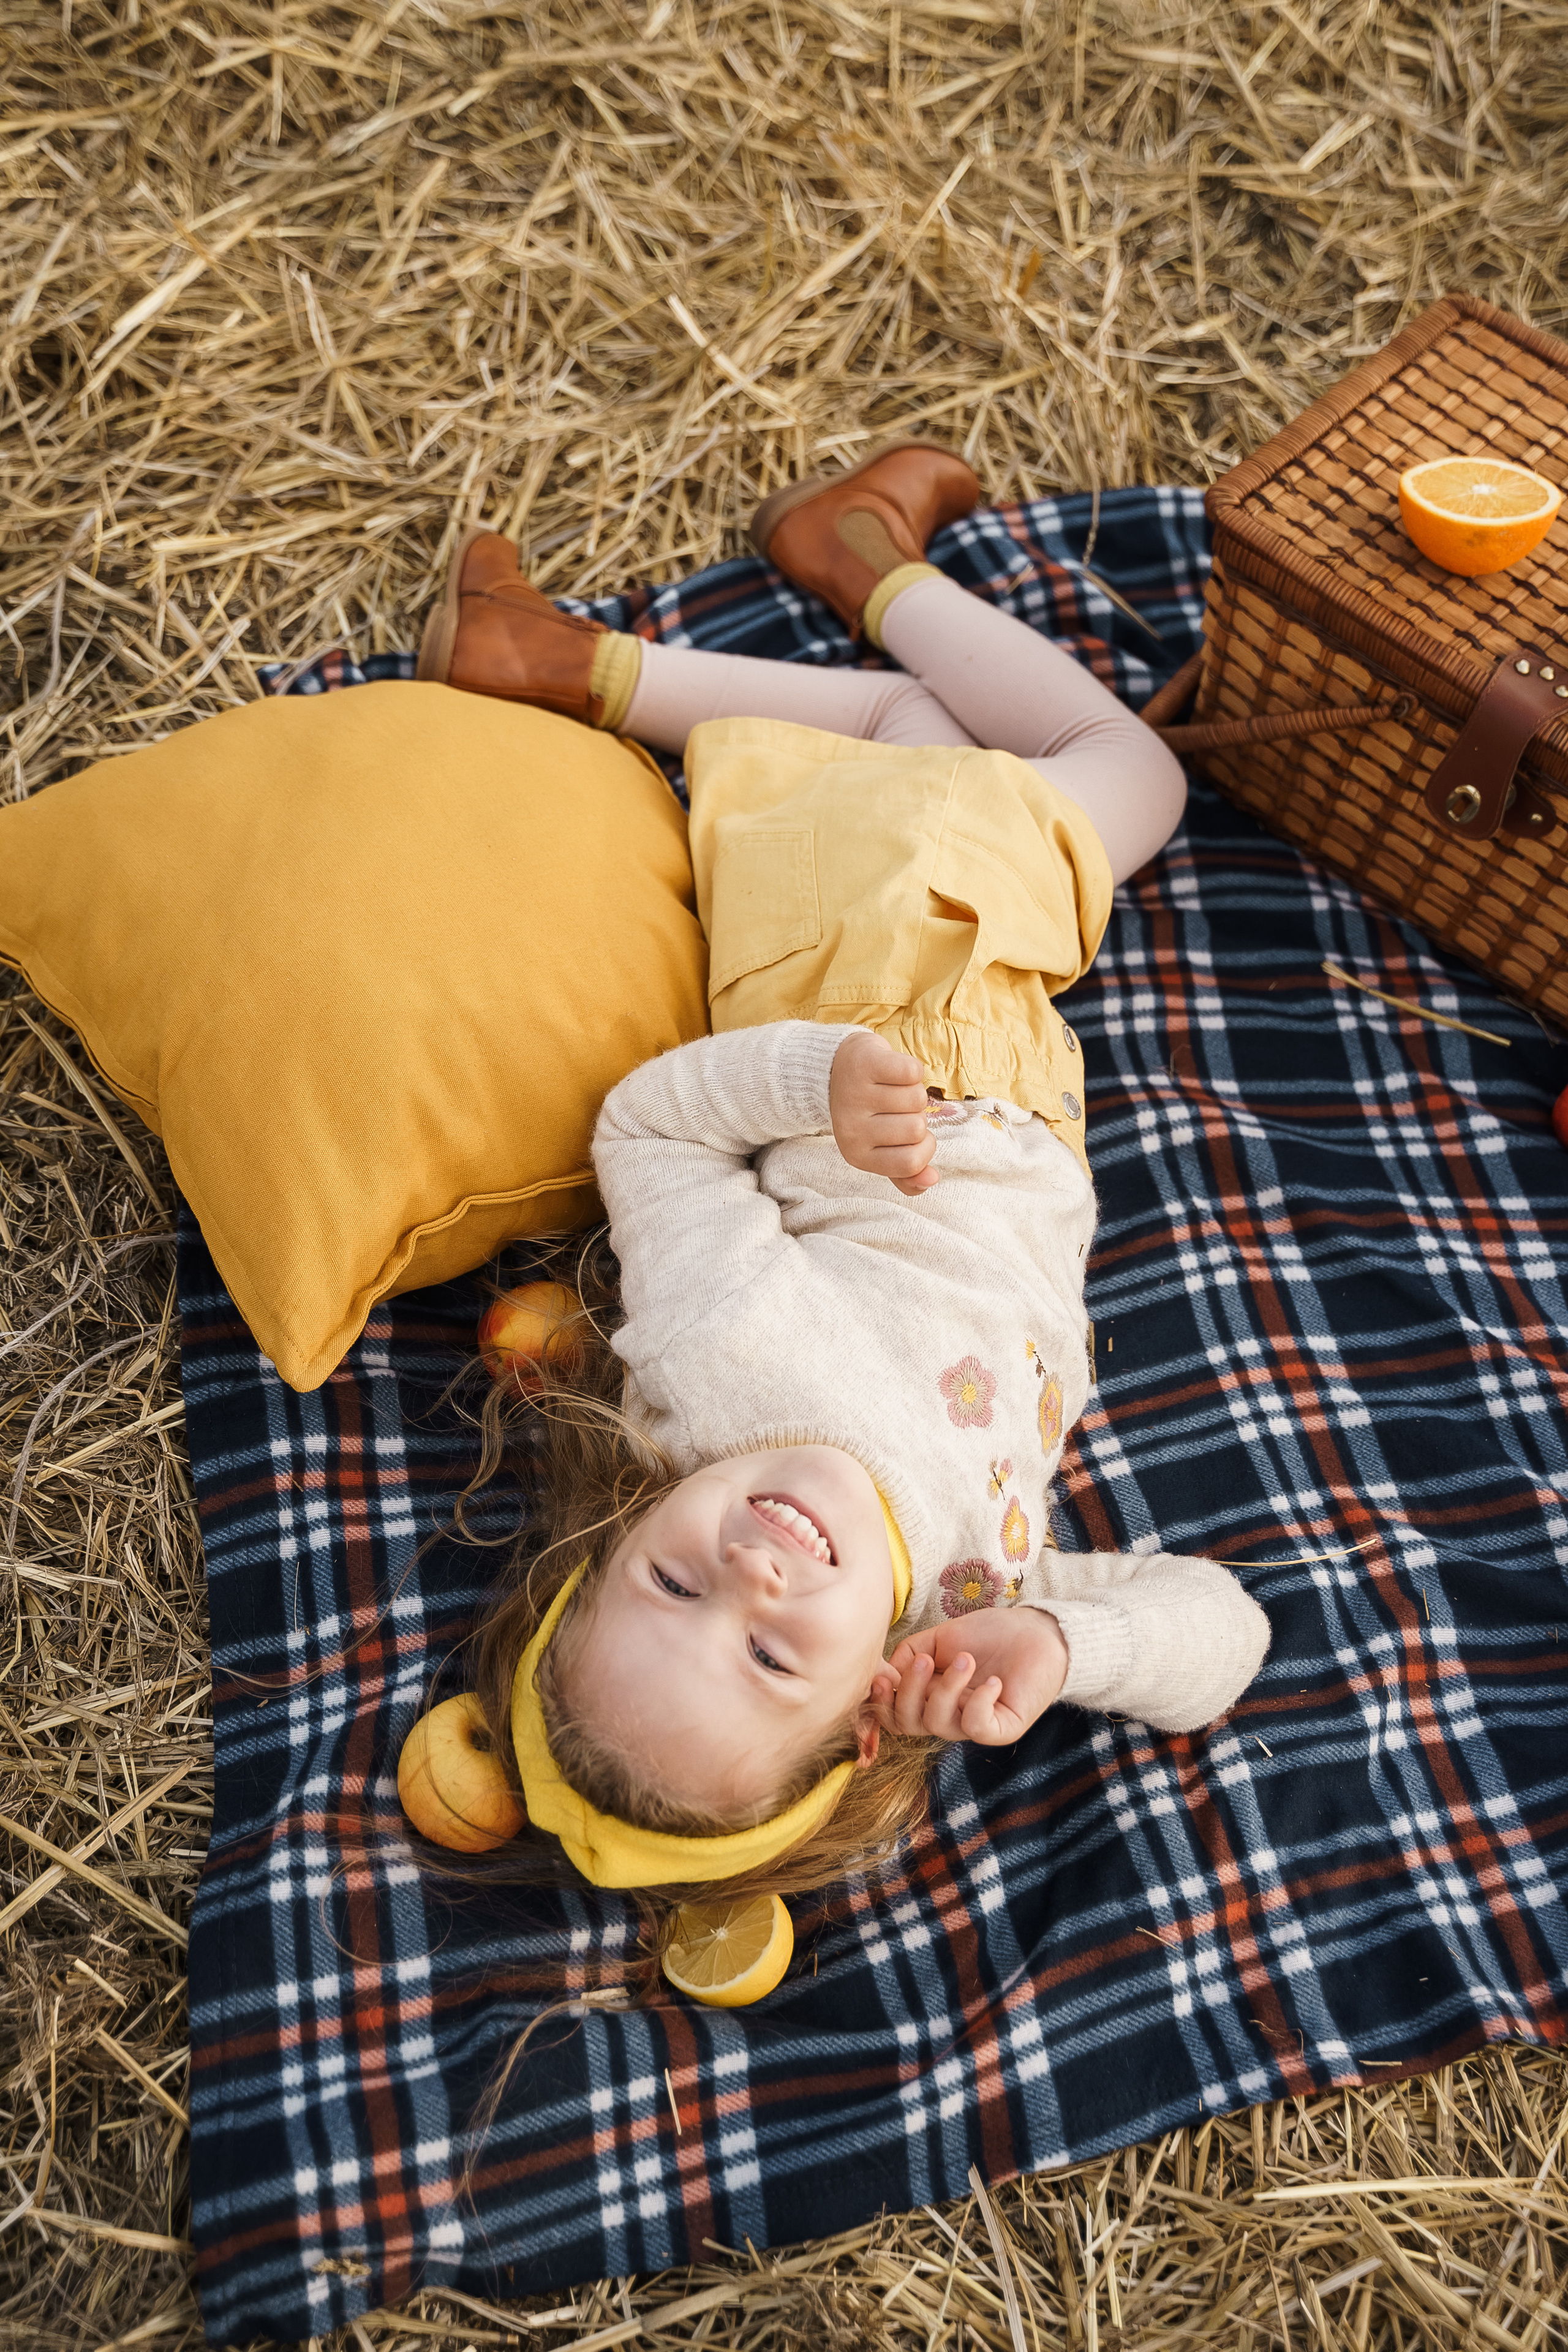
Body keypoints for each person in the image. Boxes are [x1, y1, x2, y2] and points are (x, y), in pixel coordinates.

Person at [413, 443, 1270, 1924]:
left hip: (881, 985)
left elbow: (649, 1135)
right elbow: (1221, 1636)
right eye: (766, 1656)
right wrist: (1071, 1660)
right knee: (916, 725)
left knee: (1134, 774)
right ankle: (571, 653)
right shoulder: (963, 1609)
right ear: (868, 1715)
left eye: (673, 1588)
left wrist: (810, 1080)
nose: (751, 1570)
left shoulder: (717, 1368)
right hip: (1004, 1044)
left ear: (609, 1544)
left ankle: (850, 562)